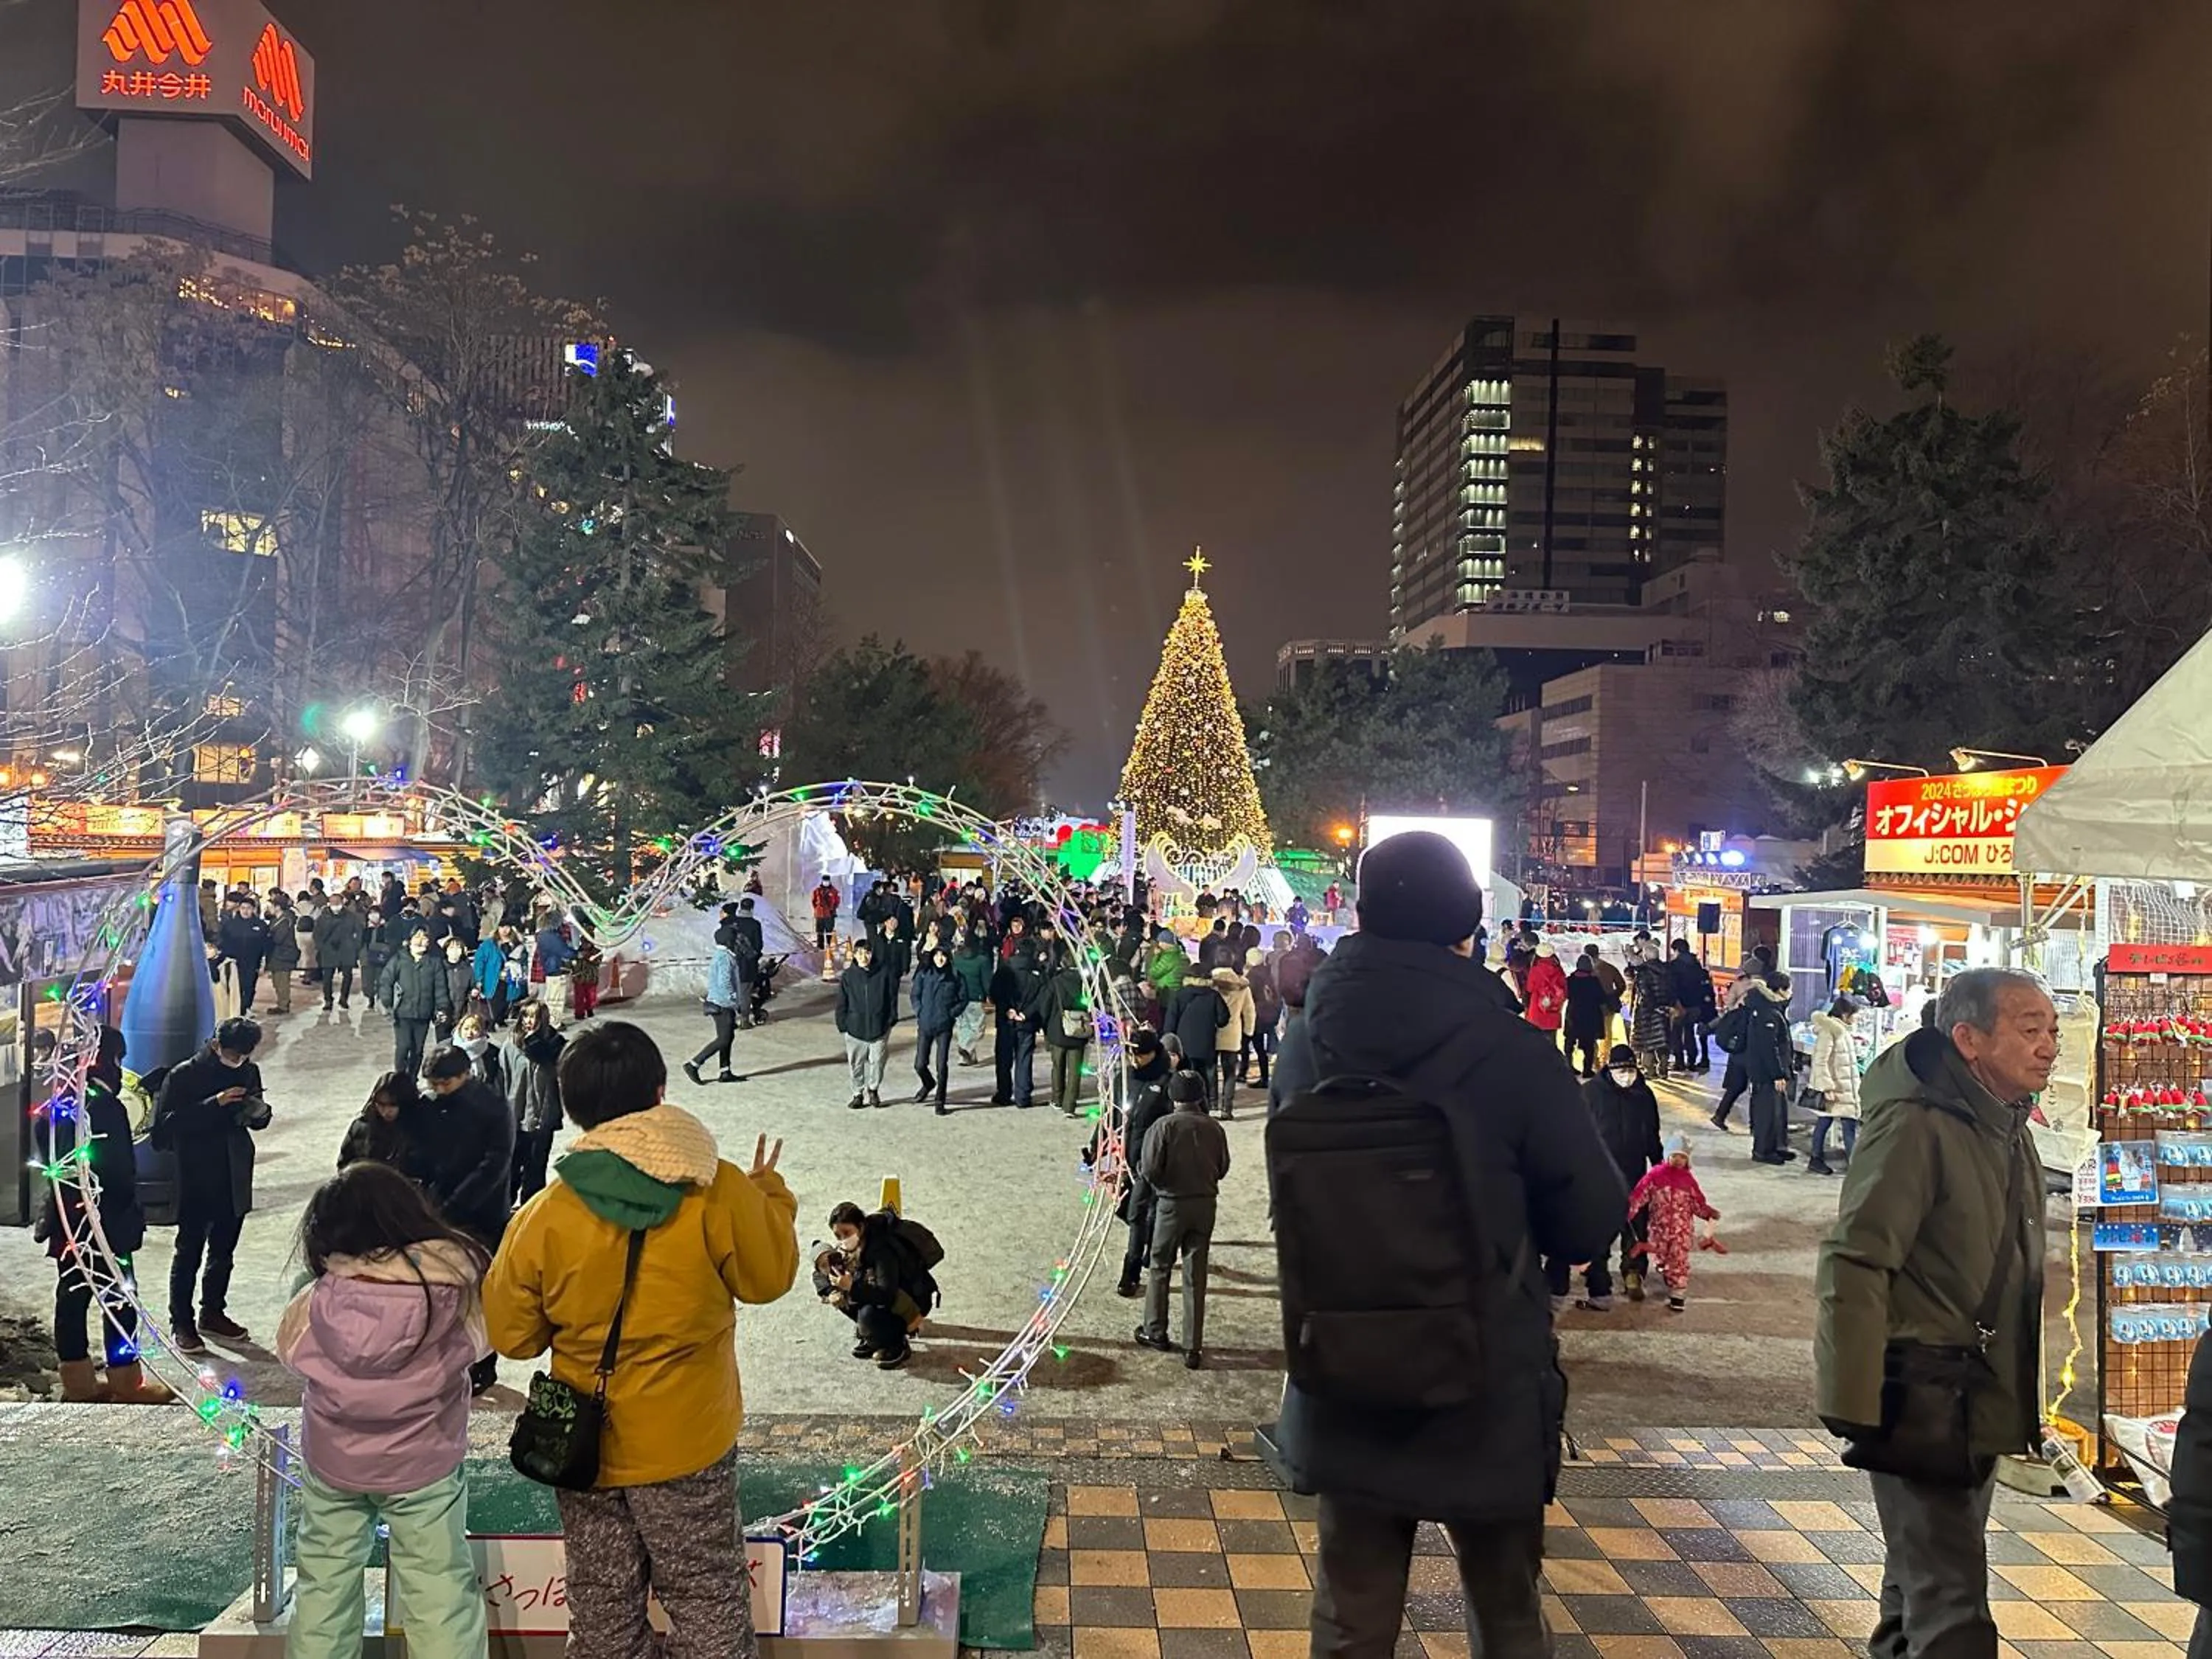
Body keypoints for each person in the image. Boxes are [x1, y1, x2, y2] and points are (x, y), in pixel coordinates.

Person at [1268, 831, 1624, 1659]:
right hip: (1486, 1369)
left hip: (1344, 1358)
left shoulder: (1307, 1042)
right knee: (1505, 1611)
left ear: (1360, 915)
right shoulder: (1510, 1051)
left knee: (1351, 1618)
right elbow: (1587, 1218)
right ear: (1468, 927)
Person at [485, 1022, 798, 1659]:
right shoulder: (717, 1189)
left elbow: (512, 1338)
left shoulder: (546, 1214)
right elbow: (768, 1280)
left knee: (601, 1604)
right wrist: (773, 1198)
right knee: (708, 1598)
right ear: (660, 1092)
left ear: (572, 1107)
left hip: (583, 1444)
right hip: (688, 1435)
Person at [1815, 968, 2051, 1659]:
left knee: (1916, 1594)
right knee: (1953, 1612)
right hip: (1922, 1392)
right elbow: (1856, 1257)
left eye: (2052, 1031)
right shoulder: (1919, 1124)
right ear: (1968, 1039)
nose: (2048, 1047)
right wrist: (1854, 1403)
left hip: (1977, 1395)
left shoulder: (2005, 1124)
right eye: (2029, 1030)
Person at [277, 1163, 489, 1659]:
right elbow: (482, 1341)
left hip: (333, 1465)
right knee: (438, 1587)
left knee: (324, 1584)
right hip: (425, 1465)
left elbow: (288, 1354)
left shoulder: (312, 1301)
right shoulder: (452, 1293)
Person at [41, 1026, 169, 1402]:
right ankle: (126, 1381)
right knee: (119, 1299)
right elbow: (118, 1171)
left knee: (72, 1296)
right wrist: (128, 1212)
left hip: (68, 1222)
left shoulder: (60, 1100)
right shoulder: (105, 1106)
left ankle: (77, 1382)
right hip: (103, 1223)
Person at [150, 1015, 271, 1356]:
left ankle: (213, 1311)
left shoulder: (249, 1071)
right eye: (234, 1053)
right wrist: (214, 1104)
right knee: (189, 1250)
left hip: (234, 1171)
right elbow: (163, 1131)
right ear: (217, 1044)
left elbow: (257, 1119)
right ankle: (181, 1321)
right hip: (197, 1172)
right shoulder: (184, 1075)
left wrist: (258, 1112)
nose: (239, 1061)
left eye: (245, 1055)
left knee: (224, 1250)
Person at [417, 1045, 516, 1394]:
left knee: (481, 1291)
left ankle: (483, 1364)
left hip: (482, 1213)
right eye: (434, 1084)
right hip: (438, 1209)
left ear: (465, 1075)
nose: (438, 1090)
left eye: (445, 1083)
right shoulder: (429, 1106)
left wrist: (457, 1202)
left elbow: (497, 1162)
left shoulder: (492, 1107)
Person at [1553, 1045, 1663, 1310]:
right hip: (1601, 1172)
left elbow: (1652, 1133)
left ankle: (1633, 1274)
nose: (1626, 1075)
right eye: (1621, 1070)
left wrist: (1659, 1165)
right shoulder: (1591, 1093)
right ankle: (1597, 1277)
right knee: (1601, 1227)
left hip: (1636, 1172)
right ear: (1610, 1069)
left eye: (1630, 1069)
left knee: (1636, 1226)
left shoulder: (1644, 1095)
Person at [1133, 1070, 1228, 1368]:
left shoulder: (1163, 1127)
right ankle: (1193, 1345)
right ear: (1200, 1096)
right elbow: (1223, 1167)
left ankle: (1155, 1330)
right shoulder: (1214, 1128)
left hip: (1171, 1205)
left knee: (1160, 1267)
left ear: (1173, 1097)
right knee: (1195, 1273)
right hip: (1204, 1204)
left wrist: (1162, 1185)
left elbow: (1148, 1170)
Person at [813, 1200, 942, 1370]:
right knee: (840, 1295)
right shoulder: (853, 1246)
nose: (843, 1240)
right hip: (881, 1294)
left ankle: (896, 1343)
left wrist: (852, 1286)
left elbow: (886, 1294)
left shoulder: (881, 1250)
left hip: (909, 1300)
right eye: (838, 1236)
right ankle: (873, 1337)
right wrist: (831, 1291)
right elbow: (819, 1272)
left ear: (860, 1226)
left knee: (868, 1315)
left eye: (847, 1233)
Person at [1104, 1029, 1172, 1298]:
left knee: (1138, 1215)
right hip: (1127, 1159)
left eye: (1141, 1054)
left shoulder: (1166, 1082)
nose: (1136, 1059)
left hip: (1151, 1162)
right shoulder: (1125, 1077)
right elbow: (1113, 1114)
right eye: (1132, 1053)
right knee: (1126, 1210)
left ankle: (1130, 1272)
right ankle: (1150, 1244)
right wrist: (1097, 1147)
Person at [1627, 1135, 1721, 1312]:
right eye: (1675, 1155)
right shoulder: (1655, 1176)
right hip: (1658, 1229)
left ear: (1687, 1160)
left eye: (1683, 1157)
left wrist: (1707, 1213)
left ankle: (1678, 1292)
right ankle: (1666, 1271)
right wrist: (1630, 1209)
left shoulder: (1688, 1181)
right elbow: (1640, 1194)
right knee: (1661, 1256)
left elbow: (1696, 1203)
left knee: (1679, 1259)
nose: (1678, 1160)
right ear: (1666, 1156)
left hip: (1681, 1230)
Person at [506, 1000, 566, 1204]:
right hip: (516, 1116)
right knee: (511, 1168)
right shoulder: (511, 1044)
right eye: (526, 1016)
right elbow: (504, 1077)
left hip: (543, 1117)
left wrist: (534, 1043)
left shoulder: (555, 1045)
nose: (530, 1021)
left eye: (535, 1017)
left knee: (536, 1168)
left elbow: (557, 1072)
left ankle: (530, 1212)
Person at [1711, 945, 1777, 1127]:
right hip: (1754, 1043)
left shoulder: (1739, 984)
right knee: (1757, 1086)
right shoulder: (1767, 990)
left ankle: (1720, 1115)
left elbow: (1728, 1005)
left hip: (1738, 1041)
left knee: (1736, 1084)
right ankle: (1756, 1125)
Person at [835, 936, 897, 1110]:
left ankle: (873, 1089)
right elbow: (842, 1001)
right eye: (860, 953)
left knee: (878, 1061)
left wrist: (891, 1019)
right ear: (854, 955)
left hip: (879, 1027)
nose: (864, 956)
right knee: (856, 1064)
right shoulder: (849, 976)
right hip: (855, 1028)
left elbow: (891, 998)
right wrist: (843, 1023)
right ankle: (857, 1093)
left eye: (867, 952)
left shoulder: (883, 973)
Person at [380, 928, 451, 1078]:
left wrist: (442, 1007)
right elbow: (386, 981)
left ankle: (412, 1079)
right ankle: (400, 1077)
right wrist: (386, 1001)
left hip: (423, 1012)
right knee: (403, 1046)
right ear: (409, 940)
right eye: (417, 937)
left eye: (424, 937)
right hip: (402, 1013)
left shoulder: (434, 963)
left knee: (417, 1049)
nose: (421, 941)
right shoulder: (398, 960)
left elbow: (440, 988)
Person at [1806, 995, 1864, 1177]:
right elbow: (1820, 1061)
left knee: (1844, 1124)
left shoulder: (1841, 1030)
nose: (1857, 1018)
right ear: (1846, 1014)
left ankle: (1850, 1163)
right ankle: (1818, 1159)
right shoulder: (1829, 1031)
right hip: (1835, 1088)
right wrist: (1827, 1087)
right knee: (1831, 1123)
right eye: (1855, 1015)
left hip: (1845, 1087)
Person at [1745, 971, 1797, 1165]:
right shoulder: (1767, 1011)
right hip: (1766, 1073)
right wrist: (1778, 1074)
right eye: (1789, 989)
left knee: (1777, 1111)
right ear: (1780, 990)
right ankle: (1763, 1151)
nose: (1791, 993)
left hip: (1770, 1071)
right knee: (1767, 1111)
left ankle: (1777, 1147)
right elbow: (1769, 1047)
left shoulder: (1771, 1008)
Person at [684, 926, 746, 1088]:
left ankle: (725, 1071)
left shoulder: (720, 955)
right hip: (723, 1003)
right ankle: (694, 1064)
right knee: (724, 1039)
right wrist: (734, 1000)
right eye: (734, 938)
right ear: (728, 941)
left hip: (719, 1001)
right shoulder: (725, 958)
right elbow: (725, 981)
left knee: (727, 1038)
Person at [990, 937, 1046, 1107]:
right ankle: (1022, 1096)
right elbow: (1042, 998)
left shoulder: (1004, 970)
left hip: (1005, 1022)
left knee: (1004, 1059)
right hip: (1027, 1023)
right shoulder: (1037, 973)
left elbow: (994, 993)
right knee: (1024, 1059)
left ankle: (1004, 1093)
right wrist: (1026, 1013)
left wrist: (1008, 1009)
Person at [1165, 969, 1230, 1115]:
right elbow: (1223, 1019)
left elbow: (1170, 1022)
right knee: (1209, 1072)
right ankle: (1212, 1103)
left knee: (1187, 1072)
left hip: (1184, 1043)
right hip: (1206, 1040)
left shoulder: (1180, 995)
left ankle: (1187, 1101)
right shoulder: (1213, 995)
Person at [1038, 951, 1093, 1119]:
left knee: (1058, 1067)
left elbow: (1044, 1006)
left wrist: (1045, 1025)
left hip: (1057, 1030)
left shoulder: (1055, 983)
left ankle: (1057, 1099)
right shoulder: (1086, 984)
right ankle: (1070, 1106)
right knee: (1075, 1071)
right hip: (1079, 1031)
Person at [910, 947, 963, 1115]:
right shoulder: (924, 974)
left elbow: (963, 998)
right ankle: (928, 1083)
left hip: (944, 1026)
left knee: (942, 1065)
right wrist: (919, 1011)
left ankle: (940, 1100)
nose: (940, 959)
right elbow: (915, 995)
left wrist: (951, 1014)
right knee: (920, 1064)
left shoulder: (954, 976)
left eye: (943, 956)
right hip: (925, 1024)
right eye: (937, 955)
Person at [338, 1071, 424, 1172]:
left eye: (393, 1105)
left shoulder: (420, 1128)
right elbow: (344, 1164)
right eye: (381, 1104)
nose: (386, 1111)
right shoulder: (362, 1127)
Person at [1206, 961, 1254, 1119]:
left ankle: (1212, 1104)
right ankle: (1227, 1108)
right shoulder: (1242, 985)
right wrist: (1248, 1032)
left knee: (1211, 1069)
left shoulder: (1208, 982)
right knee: (1230, 1072)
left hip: (1210, 1031)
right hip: (1233, 1032)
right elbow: (1249, 1011)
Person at [1664, 938, 1714, 1074]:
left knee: (1676, 1033)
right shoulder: (1697, 966)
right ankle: (1692, 1061)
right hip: (1696, 1006)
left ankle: (1679, 1061)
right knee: (1690, 1032)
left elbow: (1671, 987)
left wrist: (1675, 1003)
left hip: (1679, 1005)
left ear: (1677, 950)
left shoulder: (1672, 967)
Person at [216, 897, 271, 1015]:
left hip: (253, 961)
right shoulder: (230, 925)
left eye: (249, 908)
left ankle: (246, 1007)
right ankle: (237, 1009)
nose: (246, 911)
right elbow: (223, 942)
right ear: (239, 909)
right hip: (234, 961)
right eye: (243, 908)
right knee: (236, 986)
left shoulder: (261, 926)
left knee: (249, 985)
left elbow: (265, 944)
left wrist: (264, 960)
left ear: (254, 910)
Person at [950, 926, 993, 1067]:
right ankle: (966, 1049)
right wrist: (990, 995)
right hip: (976, 996)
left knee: (963, 1027)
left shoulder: (957, 958)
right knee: (977, 1029)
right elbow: (987, 981)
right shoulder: (982, 960)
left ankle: (967, 1057)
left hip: (959, 998)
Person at [1562, 954, 1609, 1078]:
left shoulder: (1570, 980)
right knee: (1589, 1045)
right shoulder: (1593, 981)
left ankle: (1568, 1066)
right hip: (1590, 1015)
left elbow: (1566, 995)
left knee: (1570, 1041)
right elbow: (1602, 999)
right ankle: (1587, 1070)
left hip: (1573, 1014)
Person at [1243, 947, 1281, 1088]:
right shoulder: (1267, 972)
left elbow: (1249, 998)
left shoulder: (1252, 976)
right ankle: (1263, 1077)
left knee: (1255, 1046)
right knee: (1259, 1047)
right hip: (1268, 1013)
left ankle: (1262, 1078)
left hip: (1256, 1015)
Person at [1522, 940, 1568, 1040]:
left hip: (1537, 1014)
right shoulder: (1559, 970)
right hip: (1553, 1013)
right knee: (1551, 1044)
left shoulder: (1535, 970)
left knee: (1537, 1044)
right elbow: (1565, 991)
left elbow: (1529, 989)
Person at [435, 935, 476, 1046]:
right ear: (446, 950)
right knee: (443, 1045)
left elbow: (473, 985)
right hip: (444, 1012)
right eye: (451, 948)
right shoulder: (440, 968)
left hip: (462, 1011)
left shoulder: (467, 968)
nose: (455, 951)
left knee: (461, 1044)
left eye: (458, 948)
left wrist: (474, 990)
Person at [265, 894, 300, 1014]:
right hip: (277, 955)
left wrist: (268, 937)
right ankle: (282, 1003)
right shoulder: (277, 919)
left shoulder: (285, 920)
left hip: (284, 955)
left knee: (282, 982)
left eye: (270, 906)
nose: (268, 908)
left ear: (278, 907)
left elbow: (278, 939)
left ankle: (283, 1006)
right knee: (277, 981)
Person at [569, 931, 605, 1021]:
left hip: (591, 978)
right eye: (584, 942)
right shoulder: (576, 953)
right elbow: (572, 963)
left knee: (591, 997)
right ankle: (579, 1013)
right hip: (579, 978)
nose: (586, 945)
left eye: (588, 942)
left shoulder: (597, 952)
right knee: (579, 997)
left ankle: (590, 1009)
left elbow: (597, 961)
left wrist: (588, 957)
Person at [811, 877, 841, 951]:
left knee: (829, 933)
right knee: (820, 933)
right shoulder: (817, 891)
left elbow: (837, 902)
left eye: (827, 881)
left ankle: (830, 949)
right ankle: (820, 949)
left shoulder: (834, 891)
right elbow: (813, 902)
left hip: (830, 915)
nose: (826, 882)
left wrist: (832, 910)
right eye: (825, 881)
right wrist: (818, 910)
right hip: (820, 915)